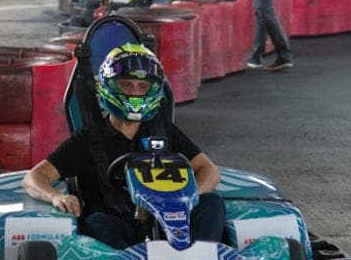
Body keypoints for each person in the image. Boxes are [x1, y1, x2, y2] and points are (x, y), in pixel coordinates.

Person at [22, 43, 225, 249]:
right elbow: (34, 177)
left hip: (168, 222)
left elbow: (209, 171)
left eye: (142, 86)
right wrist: (57, 196)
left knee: (212, 203)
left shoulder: (164, 132)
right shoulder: (88, 139)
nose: (135, 94)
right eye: (126, 85)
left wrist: (184, 201)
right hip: (117, 225)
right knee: (97, 223)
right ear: (108, 87)